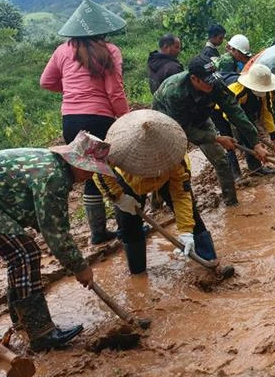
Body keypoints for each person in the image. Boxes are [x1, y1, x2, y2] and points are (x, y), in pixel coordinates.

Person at [0, 133, 113, 351]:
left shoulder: (55, 167)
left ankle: (21, 321)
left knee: (19, 254)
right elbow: (55, 232)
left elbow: (44, 219)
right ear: (76, 162)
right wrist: (80, 267)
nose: (91, 175)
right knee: (25, 253)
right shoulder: (54, 177)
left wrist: (73, 261)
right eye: (90, 169)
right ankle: (41, 332)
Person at [40, 0, 129, 245]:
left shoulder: (62, 50)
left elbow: (46, 82)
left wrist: (71, 90)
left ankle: (98, 233)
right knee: (115, 170)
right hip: (100, 118)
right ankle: (127, 229)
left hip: (70, 120)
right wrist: (126, 118)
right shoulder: (110, 51)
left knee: (90, 173)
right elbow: (115, 91)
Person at [95, 111, 221, 274]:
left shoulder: (176, 159)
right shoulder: (115, 149)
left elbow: (181, 195)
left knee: (192, 216)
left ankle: (209, 261)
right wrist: (119, 197)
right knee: (129, 224)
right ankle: (138, 272)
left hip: (166, 176)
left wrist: (186, 231)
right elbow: (99, 170)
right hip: (128, 180)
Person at [152, 55, 269, 207]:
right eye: (208, 82)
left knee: (221, 160)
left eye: (213, 80)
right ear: (194, 79)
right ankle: (166, 199)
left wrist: (255, 143)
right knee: (174, 167)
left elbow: (235, 111)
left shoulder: (214, 82)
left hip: (200, 116)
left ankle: (232, 203)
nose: (212, 86)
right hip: (167, 123)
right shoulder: (174, 92)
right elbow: (183, 129)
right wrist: (217, 138)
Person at [213, 63, 275, 178]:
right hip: (220, 111)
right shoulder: (236, 90)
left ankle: (256, 169)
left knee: (250, 135)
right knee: (229, 140)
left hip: (243, 110)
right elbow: (231, 116)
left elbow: (267, 114)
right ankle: (235, 174)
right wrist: (250, 139)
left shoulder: (266, 92)